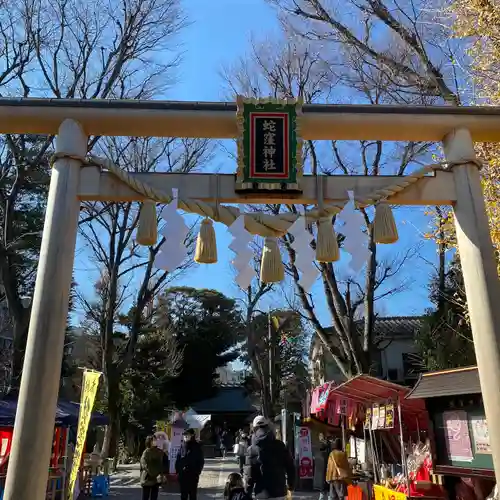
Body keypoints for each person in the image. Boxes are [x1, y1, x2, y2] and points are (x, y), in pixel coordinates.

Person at [245, 415, 295, 500]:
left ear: (254, 429)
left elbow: (249, 476)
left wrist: (247, 493)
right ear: (268, 427)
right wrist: (291, 486)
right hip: (279, 491)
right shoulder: (280, 446)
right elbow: (290, 467)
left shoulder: (251, 450)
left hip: (261, 493)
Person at [176, 428, 205, 500]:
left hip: (193, 476)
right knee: (183, 496)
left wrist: (197, 472)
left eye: (187, 435)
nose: (185, 436)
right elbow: (178, 459)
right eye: (184, 435)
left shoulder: (197, 447)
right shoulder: (182, 446)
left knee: (192, 496)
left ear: (192, 435)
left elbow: (201, 461)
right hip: (183, 476)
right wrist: (178, 471)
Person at [140, 435, 165, 500]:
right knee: (145, 496)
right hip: (147, 477)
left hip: (156, 478)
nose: (155, 441)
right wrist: (152, 473)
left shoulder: (159, 451)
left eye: (155, 440)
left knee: (154, 497)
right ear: (149, 441)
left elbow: (162, 464)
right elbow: (144, 465)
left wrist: (161, 475)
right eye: (153, 440)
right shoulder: (146, 452)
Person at [318, 434, 332, 500]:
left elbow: (320, 450)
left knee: (324, 484)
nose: (319, 437)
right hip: (326, 469)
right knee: (327, 484)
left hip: (325, 468)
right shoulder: (328, 446)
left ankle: (325, 495)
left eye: (320, 436)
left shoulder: (324, 445)